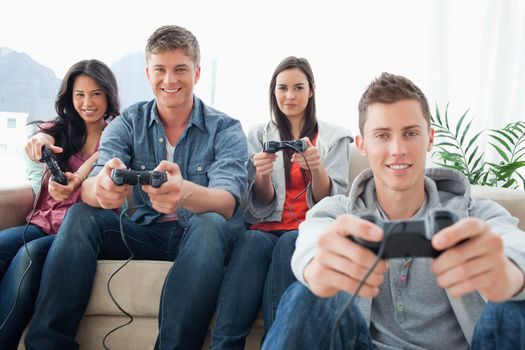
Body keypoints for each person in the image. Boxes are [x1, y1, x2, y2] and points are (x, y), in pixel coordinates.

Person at [262, 72, 525, 350]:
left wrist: (511, 275)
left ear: (429, 138)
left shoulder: (475, 213)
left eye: (410, 133)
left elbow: (514, 243)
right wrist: (318, 269)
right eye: (382, 135)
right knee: (307, 296)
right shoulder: (337, 214)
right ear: (362, 144)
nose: (398, 149)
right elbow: (311, 248)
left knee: (514, 304)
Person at [24, 25, 248, 350]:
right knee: (82, 214)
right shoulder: (129, 122)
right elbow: (91, 184)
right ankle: (48, 345)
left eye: (180, 70)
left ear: (197, 73)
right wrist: (101, 187)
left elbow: (227, 201)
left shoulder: (225, 128)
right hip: (145, 233)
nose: (169, 80)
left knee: (211, 220)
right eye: (160, 70)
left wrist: (184, 192)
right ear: (148, 73)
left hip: (202, 239)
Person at [211, 56, 353, 349]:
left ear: (312, 90)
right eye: (283, 88)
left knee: (290, 241)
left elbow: (334, 202)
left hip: (305, 230)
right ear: (273, 91)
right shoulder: (257, 135)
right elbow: (255, 205)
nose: (290, 96)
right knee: (251, 242)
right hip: (264, 228)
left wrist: (317, 167)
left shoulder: (336, 138)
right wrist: (262, 175)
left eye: (298, 88)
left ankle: (280, 342)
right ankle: (224, 344)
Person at [0, 59, 120, 349]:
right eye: (79, 94)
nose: (87, 102)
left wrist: (76, 180)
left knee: (28, 257)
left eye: (95, 94)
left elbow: (96, 167)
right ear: (70, 97)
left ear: (108, 96)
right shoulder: (60, 131)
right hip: (40, 223)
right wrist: (39, 140)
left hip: (75, 236)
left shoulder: (117, 137)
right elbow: (41, 137)